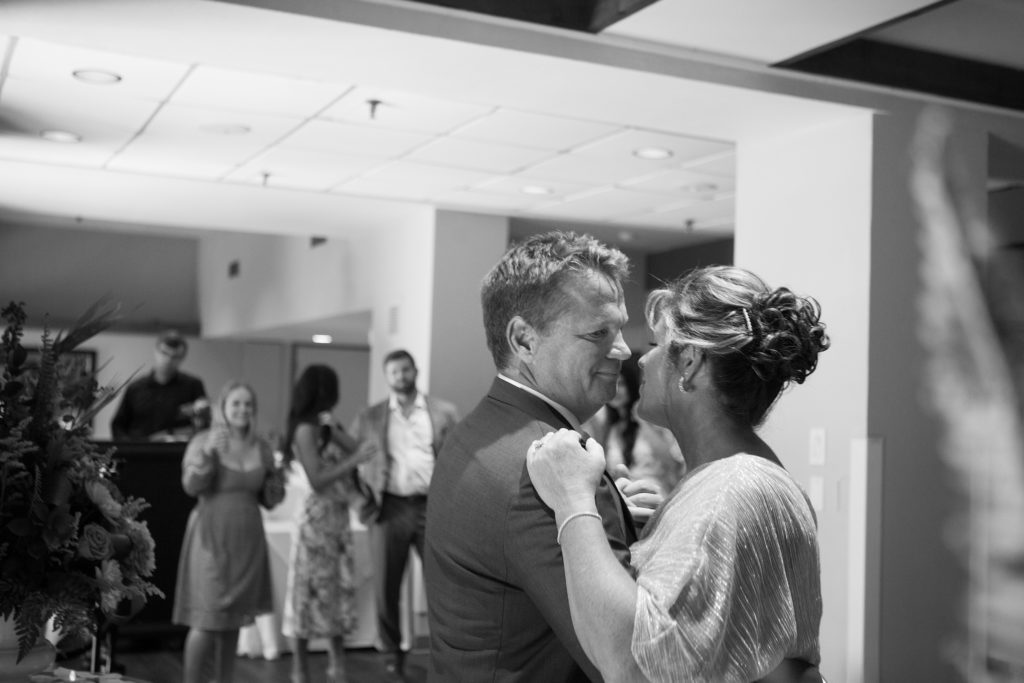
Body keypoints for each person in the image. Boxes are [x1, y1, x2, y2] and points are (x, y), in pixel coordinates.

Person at [527, 265, 829, 682]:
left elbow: (632, 664)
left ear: (688, 362)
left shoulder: (730, 494)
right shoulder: (749, 479)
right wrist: (666, 532)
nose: (641, 358)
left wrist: (573, 500)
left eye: (655, 344)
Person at [423, 231, 662, 683]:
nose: (623, 350)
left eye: (619, 328)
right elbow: (631, 664)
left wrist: (619, 523)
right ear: (524, 340)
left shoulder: (481, 429)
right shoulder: (542, 473)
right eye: (598, 333)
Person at [348, 349, 459, 680]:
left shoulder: (443, 412)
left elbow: (460, 459)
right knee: (386, 590)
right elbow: (348, 466)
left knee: (443, 586)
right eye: (393, 372)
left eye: (405, 370)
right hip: (388, 508)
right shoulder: (368, 417)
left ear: (415, 370)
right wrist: (359, 502)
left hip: (432, 507)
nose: (400, 376)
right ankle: (392, 656)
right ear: (387, 377)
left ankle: (446, 654)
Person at [172, 380, 284, 683]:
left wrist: (277, 472)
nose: (242, 409)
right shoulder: (204, 440)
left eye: (248, 404)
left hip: (248, 541)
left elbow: (273, 500)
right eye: (236, 403)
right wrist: (208, 454)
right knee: (206, 621)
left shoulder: (261, 446)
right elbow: (190, 486)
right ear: (223, 408)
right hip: (211, 538)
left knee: (233, 621)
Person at [282, 365, 375, 683]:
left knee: (338, 590)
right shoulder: (304, 430)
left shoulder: (324, 425)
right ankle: (300, 668)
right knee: (306, 594)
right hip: (315, 519)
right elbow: (317, 479)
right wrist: (352, 461)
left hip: (337, 517)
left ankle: (338, 665)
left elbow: (362, 448)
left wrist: (335, 431)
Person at [110, 329, 209, 440]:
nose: (168, 360)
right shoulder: (135, 388)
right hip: (139, 453)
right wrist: (129, 450)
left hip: (178, 453)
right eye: (164, 353)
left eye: (175, 356)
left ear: (182, 358)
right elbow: (118, 426)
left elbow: (204, 425)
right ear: (155, 351)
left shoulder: (193, 386)